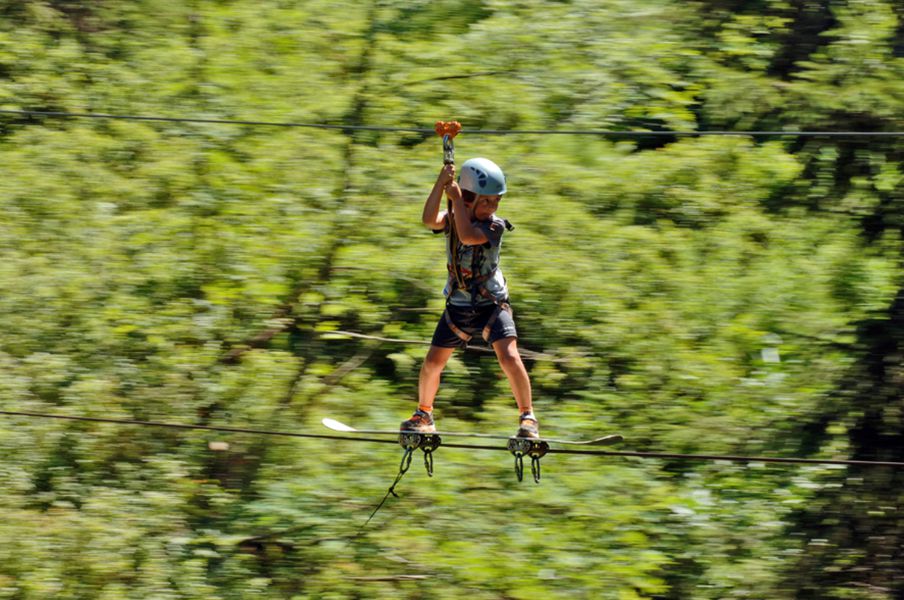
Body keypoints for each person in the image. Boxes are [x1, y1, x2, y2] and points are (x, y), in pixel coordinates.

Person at [400, 157, 538, 439]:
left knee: (509, 356)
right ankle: (424, 413)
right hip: (459, 304)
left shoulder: (494, 227)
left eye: (496, 201)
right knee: (432, 363)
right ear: (469, 199)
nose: (492, 207)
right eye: (485, 201)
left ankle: (527, 416)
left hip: (491, 303)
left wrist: (456, 202)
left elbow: (467, 236)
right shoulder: (454, 215)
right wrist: (441, 184)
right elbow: (428, 219)